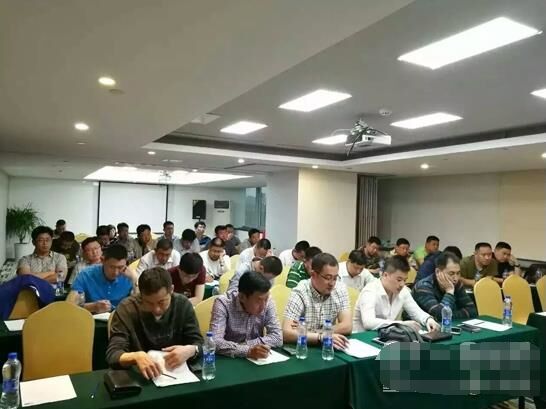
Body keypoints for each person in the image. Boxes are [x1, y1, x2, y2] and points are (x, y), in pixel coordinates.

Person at [106, 267, 203, 380]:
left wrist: (191, 350)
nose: (156, 309)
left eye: (162, 302)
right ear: (140, 294)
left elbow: (200, 344)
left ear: (171, 290)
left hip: (176, 374)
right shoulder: (127, 309)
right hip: (139, 377)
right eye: (149, 303)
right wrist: (135, 356)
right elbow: (113, 354)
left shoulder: (182, 304)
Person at [353, 255, 440, 332]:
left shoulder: (403, 290)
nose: (402, 284)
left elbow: (416, 311)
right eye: (399, 280)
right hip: (362, 338)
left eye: (405, 280)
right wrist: (400, 324)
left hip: (386, 336)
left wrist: (428, 320)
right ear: (385, 275)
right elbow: (368, 323)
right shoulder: (370, 291)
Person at [283, 253, 351, 350]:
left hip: (328, 347)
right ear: (313, 274)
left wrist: (310, 332)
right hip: (303, 349)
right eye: (328, 278)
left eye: (335, 278)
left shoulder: (340, 288)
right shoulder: (300, 292)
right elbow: (286, 333)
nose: (332, 283)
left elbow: (347, 326)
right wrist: (321, 337)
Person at [211, 271, 282, 358]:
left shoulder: (267, 301)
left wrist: (245, 345)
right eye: (258, 301)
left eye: (266, 299)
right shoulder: (223, 303)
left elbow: (278, 337)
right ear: (242, 297)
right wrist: (248, 351)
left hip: (257, 359)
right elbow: (215, 342)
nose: (263, 306)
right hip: (228, 358)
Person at [67, 245, 137, 313]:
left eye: (120, 267)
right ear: (102, 260)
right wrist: (92, 307)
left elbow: (140, 305)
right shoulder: (86, 274)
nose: (116, 272)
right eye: (112, 267)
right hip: (92, 317)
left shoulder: (129, 276)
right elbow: (69, 306)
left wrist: (134, 279)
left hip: (120, 317)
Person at [412, 252, 477, 321]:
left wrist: (450, 315)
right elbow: (440, 315)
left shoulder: (457, 284)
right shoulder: (423, 287)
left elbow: (472, 311)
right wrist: (449, 292)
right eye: (451, 273)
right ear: (437, 272)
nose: (456, 278)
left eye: (458, 273)